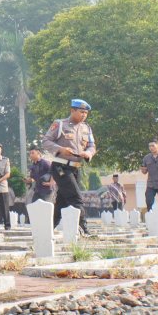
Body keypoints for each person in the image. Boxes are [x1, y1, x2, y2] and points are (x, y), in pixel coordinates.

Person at [42, 99, 96, 234]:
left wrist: (88, 153)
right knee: (76, 198)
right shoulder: (60, 124)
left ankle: (48, 229)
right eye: (81, 112)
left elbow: (92, 145)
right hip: (61, 167)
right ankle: (84, 229)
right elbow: (46, 141)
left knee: (62, 201)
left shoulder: (86, 128)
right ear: (73, 110)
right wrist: (60, 149)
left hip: (76, 167)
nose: (84, 115)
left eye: (86, 113)